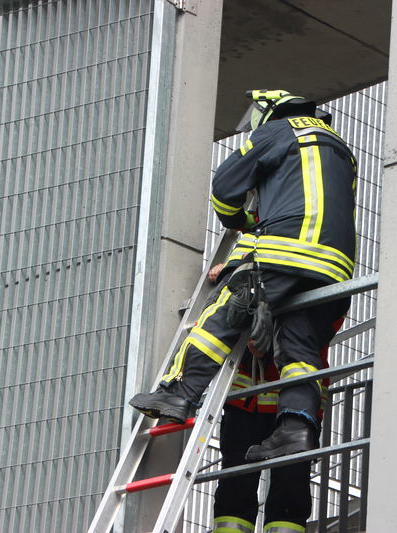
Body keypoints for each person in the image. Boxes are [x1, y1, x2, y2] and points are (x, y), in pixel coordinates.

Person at [129, 88, 357, 473]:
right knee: (299, 347)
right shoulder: (341, 150)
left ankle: (178, 393)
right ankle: (296, 427)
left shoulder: (279, 131)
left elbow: (225, 186)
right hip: (334, 268)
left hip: (286, 251)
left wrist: (241, 221)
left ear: (269, 111)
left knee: (222, 315)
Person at [206, 262, 344, 533]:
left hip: (293, 411)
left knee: (290, 485)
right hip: (248, 401)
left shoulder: (319, 287)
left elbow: (315, 334)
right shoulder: (261, 273)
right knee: (236, 480)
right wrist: (231, 270)